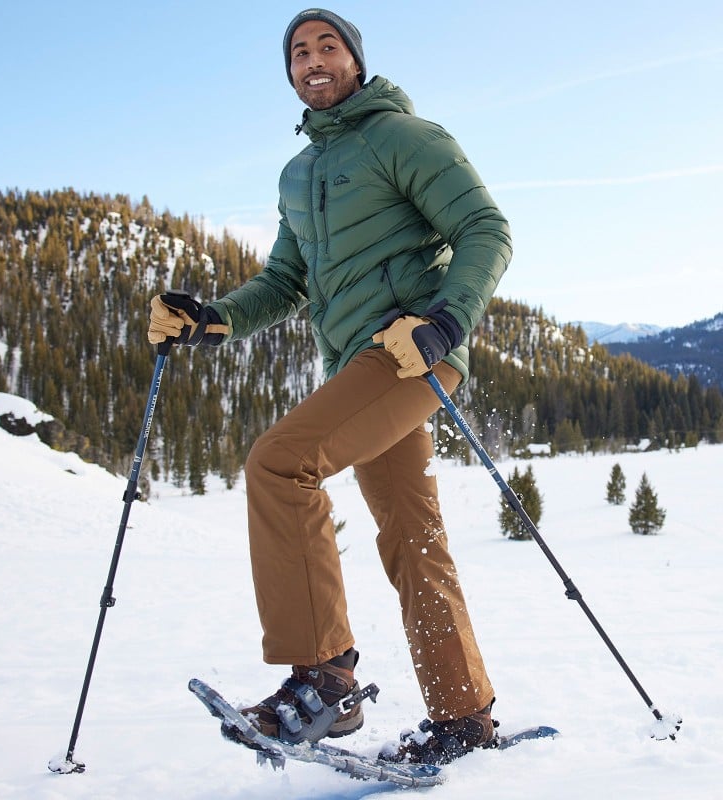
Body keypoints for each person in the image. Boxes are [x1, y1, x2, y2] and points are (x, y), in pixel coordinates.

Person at [148, 8, 512, 765]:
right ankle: (464, 715)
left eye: (328, 46)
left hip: (413, 351)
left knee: (280, 463)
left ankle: (324, 682)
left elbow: (486, 227)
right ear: (289, 73)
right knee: (414, 539)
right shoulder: (300, 173)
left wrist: (445, 322)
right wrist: (210, 320)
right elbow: (285, 282)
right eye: (299, 52)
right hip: (358, 368)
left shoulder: (405, 137)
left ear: (355, 60)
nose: (313, 60)